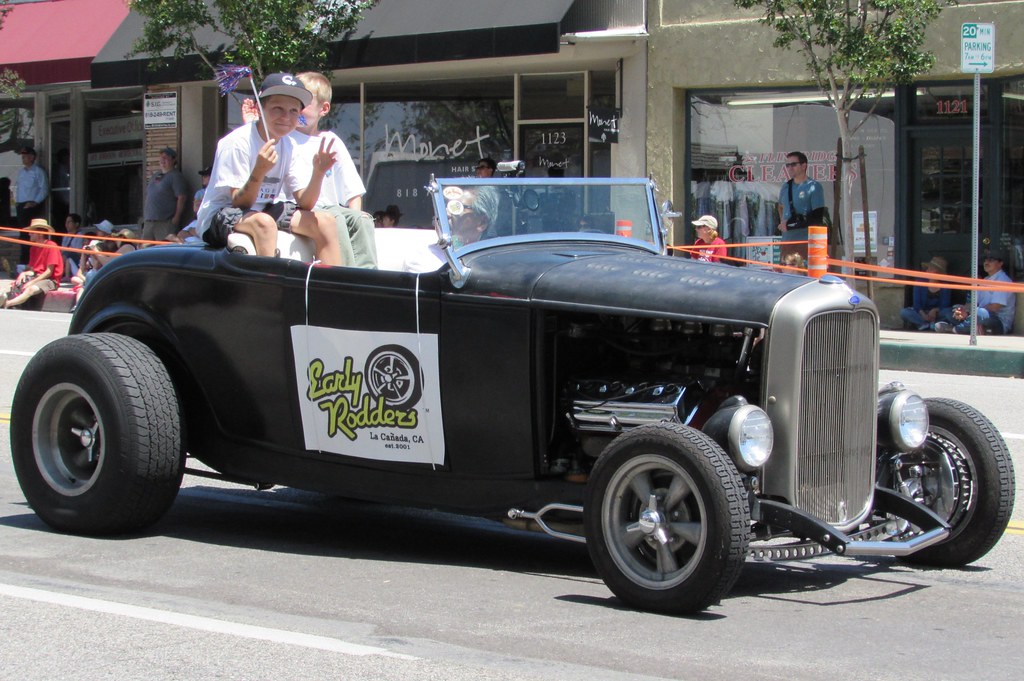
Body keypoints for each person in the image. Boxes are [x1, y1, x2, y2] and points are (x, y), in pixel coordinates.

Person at [196, 72, 343, 266]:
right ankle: (271, 290)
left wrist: (319, 172)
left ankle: (329, 289)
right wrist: (259, 171)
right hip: (220, 215)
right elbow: (240, 203)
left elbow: (305, 203)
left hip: (265, 208)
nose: (286, 117)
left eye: (293, 111)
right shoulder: (237, 142)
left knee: (325, 222)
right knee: (264, 223)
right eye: (277, 108)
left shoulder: (289, 145)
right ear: (259, 109)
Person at [291, 71, 378, 268]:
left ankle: (369, 278)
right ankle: (345, 276)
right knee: (334, 218)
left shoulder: (330, 141)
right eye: (295, 101)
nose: (297, 108)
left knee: (362, 220)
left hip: (330, 208)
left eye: (304, 103)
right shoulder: (286, 139)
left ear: (324, 108)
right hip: (303, 209)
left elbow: (352, 189)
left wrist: (356, 216)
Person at [402, 186, 498, 273]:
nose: (447, 214)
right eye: (444, 206)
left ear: (482, 223)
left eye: (457, 207)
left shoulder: (497, 259)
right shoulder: (423, 259)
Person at [934, 250, 1016, 335]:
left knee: (979, 313)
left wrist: (970, 312)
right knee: (949, 311)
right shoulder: (985, 280)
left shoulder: (1003, 280)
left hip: (999, 322)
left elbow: (995, 307)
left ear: (1000, 263)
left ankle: (954, 329)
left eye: (991, 260)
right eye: (985, 260)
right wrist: (963, 309)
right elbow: (975, 303)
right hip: (978, 315)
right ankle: (972, 328)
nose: (986, 262)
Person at [0, 218, 63, 309]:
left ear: (40, 234)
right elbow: (33, 269)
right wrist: (24, 273)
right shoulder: (33, 248)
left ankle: (8, 303)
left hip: (50, 280)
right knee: (14, 285)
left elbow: (49, 272)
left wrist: (32, 282)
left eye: (32, 232)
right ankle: (7, 300)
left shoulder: (51, 245)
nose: (29, 234)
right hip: (37, 276)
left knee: (31, 288)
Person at [142, 147, 188, 245]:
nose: (162, 160)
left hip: (165, 222)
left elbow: (182, 197)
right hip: (149, 222)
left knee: (163, 251)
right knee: (145, 251)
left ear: (173, 160)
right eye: (161, 158)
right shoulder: (156, 175)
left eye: (166, 158)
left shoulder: (176, 176)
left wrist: (176, 218)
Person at [900, 256, 953, 331]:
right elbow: (916, 304)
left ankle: (935, 325)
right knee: (904, 312)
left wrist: (935, 310)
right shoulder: (920, 282)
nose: (928, 271)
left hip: (937, 314)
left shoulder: (945, 286)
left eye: (932, 269)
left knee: (949, 312)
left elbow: (945, 304)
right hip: (922, 313)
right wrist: (923, 314)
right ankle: (925, 324)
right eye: (928, 268)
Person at [777, 151, 824, 234]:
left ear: (804, 166)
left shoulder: (813, 186)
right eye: (787, 165)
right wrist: (783, 222)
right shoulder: (785, 187)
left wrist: (790, 225)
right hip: (787, 240)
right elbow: (780, 206)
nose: (790, 168)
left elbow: (817, 218)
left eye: (794, 164)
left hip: (806, 240)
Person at [15, 146, 48, 263]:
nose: (23, 158)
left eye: (25, 156)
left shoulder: (38, 171)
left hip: (31, 206)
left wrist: (34, 202)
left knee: (31, 235)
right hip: (20, 205)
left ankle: (31, 261)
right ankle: (23, 262)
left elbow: (44, 189)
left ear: (32, 157)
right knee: (23, 235)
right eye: (22, 156)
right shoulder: (21, 172)